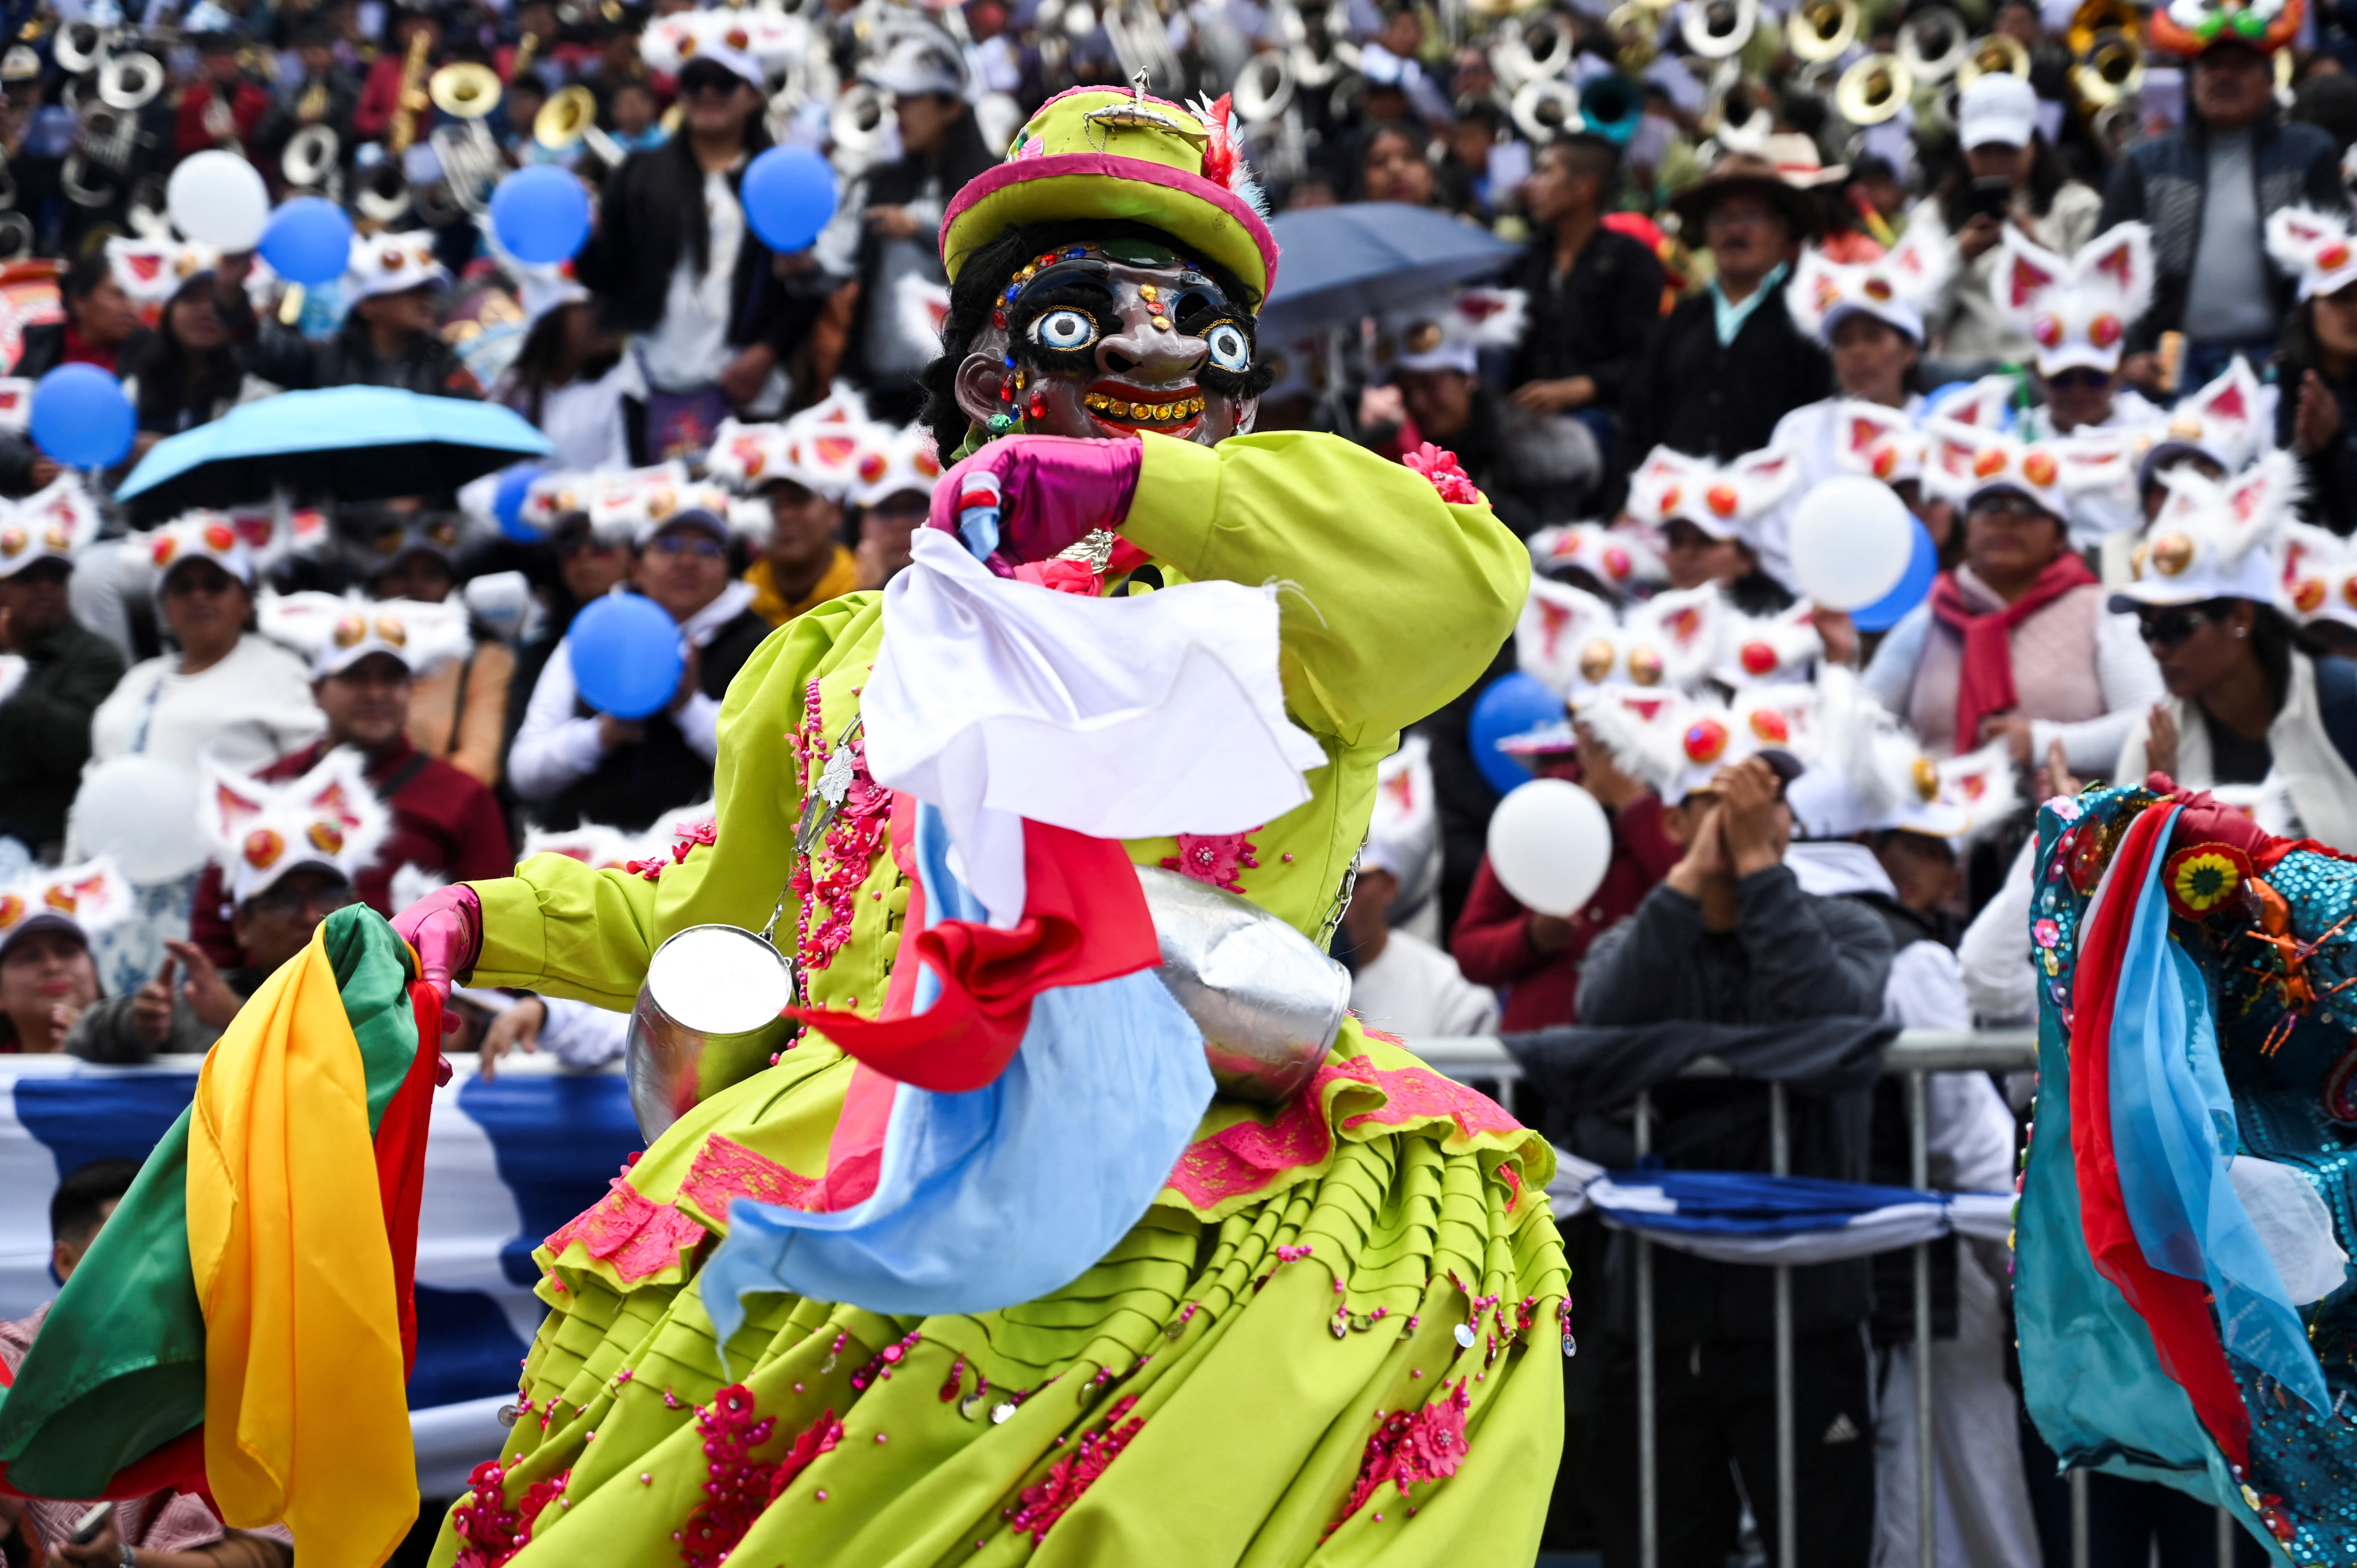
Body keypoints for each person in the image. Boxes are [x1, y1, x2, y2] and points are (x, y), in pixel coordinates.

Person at [391, 84, 1563, 1560]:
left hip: (1190, 1207)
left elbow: (1458, 586)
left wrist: (1142, 490)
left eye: (1189, 340)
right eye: (1087, 327)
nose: (1142, 366)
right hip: (850, 1177)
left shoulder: (1281, 606)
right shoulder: (836, 662)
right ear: (988, 378)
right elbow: (728, 919)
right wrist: (484, 917)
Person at [1574, 723, 1893, 1568]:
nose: (1747, 816)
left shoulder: (1850, 929)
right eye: (1718, 801)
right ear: (1672, 823)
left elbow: (1833, 1020)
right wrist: (1688, 884)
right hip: (1658, 1314)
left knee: (1822, 1547)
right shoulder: (1633, 940)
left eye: (1768, 800)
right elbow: (1601, 1019)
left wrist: (1758, 873)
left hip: (1805, 1313)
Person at [1782, 678, 2041, 1568]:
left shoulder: (1771, 932)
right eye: (1926, 847)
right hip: (1921, 1277)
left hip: (1807, 1278)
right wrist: (2015, 1268)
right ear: (1874, 847)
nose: (1945, 868)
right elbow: (1966, 1140)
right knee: (1948, 1490)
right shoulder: (1911, 953)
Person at [183, 597, 514, 973]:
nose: (375, 693)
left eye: (391, 678)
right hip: (268, 1011)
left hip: (410, 1017)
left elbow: (495, 931)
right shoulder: (264, 790)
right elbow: (213, 932)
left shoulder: (464, 798)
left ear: (411, 691)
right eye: (355, 677)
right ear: (317, 690)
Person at [0, 1161, 293, 1566]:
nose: (150, 1276)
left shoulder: (227, 1376)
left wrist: (126, 1560)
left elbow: (270, 1551)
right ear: (65, 1261)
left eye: (166, 1252)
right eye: (123, 1254)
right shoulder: (7, 1366)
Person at [1865, 423, 2163, 770]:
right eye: (1989, 507)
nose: (2005, 519)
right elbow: (1864, 723)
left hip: (2069, 820)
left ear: (2059, 535)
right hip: (1940, 817)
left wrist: (2042, 744)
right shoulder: (1930, 619)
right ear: (1968, 531)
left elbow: (2151, 722)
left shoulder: (2100, 610)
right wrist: (1916, 775)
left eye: (2026, 509)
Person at [575, 35, 806, 458]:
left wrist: (767, 351)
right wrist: (585, 239)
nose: (707, 93)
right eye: (694, 82)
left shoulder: (781, 179)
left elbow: (806, 285)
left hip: (745, 385)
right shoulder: (641, 171)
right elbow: (606, 275)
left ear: (754, 96)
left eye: (723, 82)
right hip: (651, 377)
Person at [2114, 452, 2357, 849]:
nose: (2157, 649)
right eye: (2148, 628)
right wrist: (2156, 812)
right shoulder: (2154, 738)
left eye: (2178, 627)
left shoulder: (2345, 699)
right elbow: (2123, 886)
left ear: (2241, 616)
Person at [2100, 28, 2346, 395]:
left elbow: (2339, 266)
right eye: (2211, 66)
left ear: (2269, 82)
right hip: (2168, 361)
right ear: (2191, 82)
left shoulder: (2309, 153)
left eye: (2240, 66)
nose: (2223, 76)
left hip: (2280, 358)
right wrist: (2131, 354)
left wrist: (2302, 352)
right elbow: (2105, 272)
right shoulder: (2145, 163)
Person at [509, 498, 770, 830]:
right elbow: (525, 774)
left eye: (707, 549)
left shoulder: (761, 644)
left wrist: (688, 708)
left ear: (727, 566)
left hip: (701, 852)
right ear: (636, 565)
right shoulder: (594, 631)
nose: (687, 561)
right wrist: (603, 734)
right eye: (669, 546)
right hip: (593, 850)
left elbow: (768, 766)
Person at [1619, 136, 1836, 471]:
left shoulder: (1811, 318)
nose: (1734, 230)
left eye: (1751, 216)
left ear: (1782, 230)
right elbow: (1639, 422)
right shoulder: (1681, 319)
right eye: (1721, 218)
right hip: (1674, 505)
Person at [1761, 227, 1956, 585]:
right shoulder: (1800, 431)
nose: (1858, 353)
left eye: (1873, 336)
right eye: (1844, 341)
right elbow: (1779, 542)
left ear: (1911, 350)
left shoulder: (1941, 426)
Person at [826, 35, 998, 424]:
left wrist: (921, 226)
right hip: (879, 389)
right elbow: (832, 265)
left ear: (951, 106)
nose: (896, 111)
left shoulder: (995, 186)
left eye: (909, 99)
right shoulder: (877, 182)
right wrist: (800, 260)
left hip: (965, 393)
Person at [86, 517, 323, 774]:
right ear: (165, 609)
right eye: (182, 587)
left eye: (215, 584)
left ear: (245, 602)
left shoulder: (281, 671)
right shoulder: (137, 679)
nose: (199, 596)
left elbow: (314, 770)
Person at [1377, 287, 1600, 536]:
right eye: (1406, 391)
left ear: (1468, 379)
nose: (1418, 402)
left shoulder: (1538, 448)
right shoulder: (1395, 451)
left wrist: (1461, 488)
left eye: (1430, 385)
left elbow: (1546, 538)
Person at [1924, 73, 2105, 374]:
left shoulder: (2076, 206)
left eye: (2007, 149)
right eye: (1983, 150)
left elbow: (2098, 307)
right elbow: (1921, 320)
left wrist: (2038, 255)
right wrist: (1960, 257)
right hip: (1962, 372)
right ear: (1964, 151)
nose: (1995, 162)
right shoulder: (1935, 214)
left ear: (2033, 144)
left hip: (2051, 371)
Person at [1500, 137, 1667, 455]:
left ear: (1584, 187)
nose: (1532, 184)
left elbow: (1645, 360)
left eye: (1546, 172)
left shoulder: (1631, 261)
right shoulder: (1527, 260)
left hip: (1603, 419)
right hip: (1522, 414)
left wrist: (1580, 388)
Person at [343, 506, 518, 787]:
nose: (415, 586)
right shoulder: (346, 656)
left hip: (445, 810)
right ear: (376, 585)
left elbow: (480, 760)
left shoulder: (485, 658)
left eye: (431, 575)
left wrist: (413, 798)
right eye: (399, 574)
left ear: (453, 587)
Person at [0, 477, 123, 859]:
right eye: (28, 577)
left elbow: (73, 746)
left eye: (56, 576)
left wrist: (12, 673)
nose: (45, 588)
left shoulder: (95, 656)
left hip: (45, 843)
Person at [226, 235, 483, 398]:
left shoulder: (446, 365)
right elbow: (259, 347)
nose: (425, 299)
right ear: (368, 305)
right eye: (410, 290)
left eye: (429, 290)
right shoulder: (325, 358)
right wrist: (229, 293)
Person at [709, 417, 860, 627]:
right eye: (771, 504)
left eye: (799, 500)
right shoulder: (726, 612)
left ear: (834, 512)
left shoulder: (871, 596)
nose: (785, 515)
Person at [2266, 205, 2357, 536]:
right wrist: (2318, 453)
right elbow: (2288, 520)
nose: (2355, 309)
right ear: (2306, 310)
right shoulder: (2276, 391)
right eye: (2339, 296)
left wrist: (2337, 445)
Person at [493, 280, 633, 472]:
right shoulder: (513, 387)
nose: (603, 315)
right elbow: (482, 476)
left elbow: (623, 466)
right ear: (552, 315)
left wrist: (563, 493)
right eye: (588, 305)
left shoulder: (623, 382)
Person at [0, 860, 129, 1054]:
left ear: (96, 975)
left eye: (68, 951)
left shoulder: (156, 1059)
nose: (52, 966)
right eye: (28, 958)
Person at [1355, 119, 1439, 207]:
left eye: (1409, 157)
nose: (1396, 168)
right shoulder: (1345, 219)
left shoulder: (1450, 220)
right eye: (1380, 161)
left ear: (1431, 173)